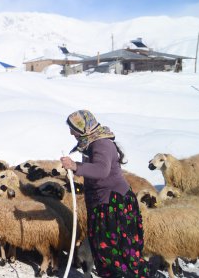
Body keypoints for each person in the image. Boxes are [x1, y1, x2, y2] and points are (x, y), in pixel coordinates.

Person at [60, 110, 149, 278]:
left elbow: (102, 170)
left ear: (84, 127)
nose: (71, 133)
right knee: (104, 250)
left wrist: (75, 166)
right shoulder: (91, 143)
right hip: (103, 204)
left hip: (114, 206)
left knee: (115, 250)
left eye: (73, 128)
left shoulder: (101, 144)